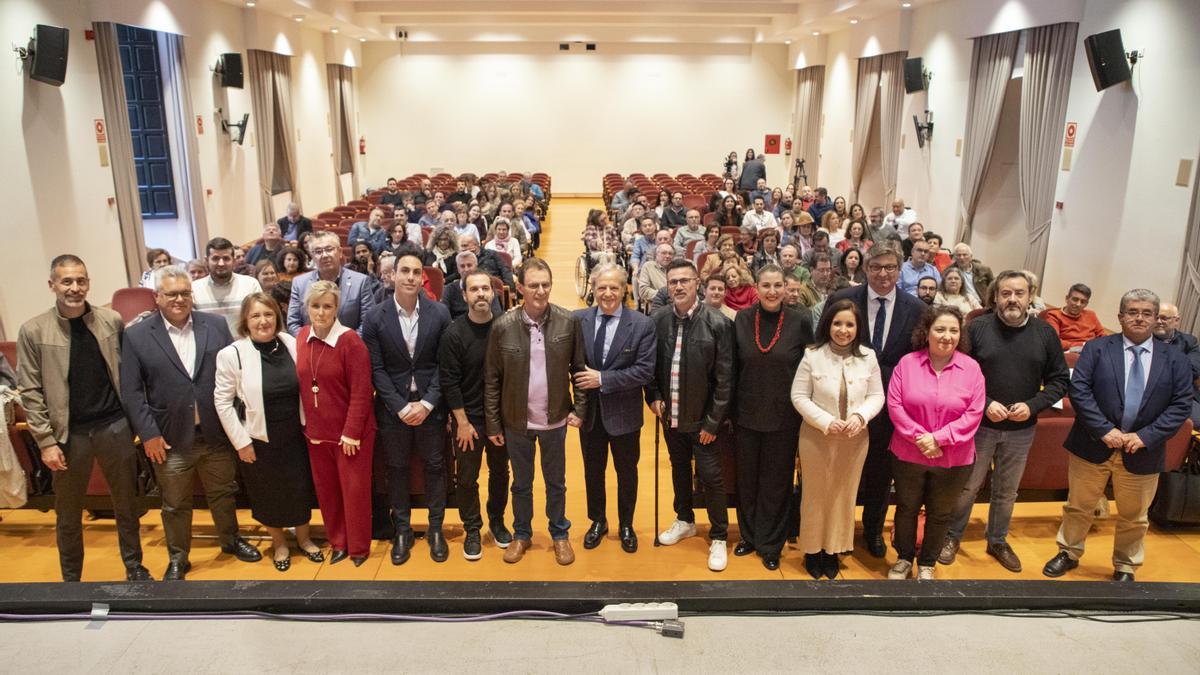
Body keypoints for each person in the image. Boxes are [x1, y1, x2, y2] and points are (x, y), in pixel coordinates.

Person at [1042, 289, 1194, 582]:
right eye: (1133, 312)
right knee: (1078, 506)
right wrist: (1104, 430)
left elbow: (1180, 405)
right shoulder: (1097, 348)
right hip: (1092, 444)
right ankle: (1068, 553)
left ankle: (1125, 565)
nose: (1139, 318)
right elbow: (1080, 391)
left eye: (1147, 313)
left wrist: (1146, 436)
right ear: (1121, 316)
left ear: (1156, 319)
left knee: (1134, 517)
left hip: (1144, 451)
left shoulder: (1175, 359)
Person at [121, 265, 261, 580]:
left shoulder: (215, 326)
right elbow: (131, 392)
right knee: (174, 504)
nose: (180, 299)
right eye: (172, 294)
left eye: (186, 293)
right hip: (169, 438)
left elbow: (233, 379)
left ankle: (231, 540)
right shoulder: (136, 336)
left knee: (224, 492)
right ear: (156, 297)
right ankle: (178, 558)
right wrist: (149, 434)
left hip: (215, 431)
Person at [17, 255, 149, 582]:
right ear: (52, 285)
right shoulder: (33, 330)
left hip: (113, 426)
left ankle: (134, 567)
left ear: (88, 283)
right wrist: (46, 442)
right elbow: (30, 391)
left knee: (127, 504)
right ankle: (71, 579)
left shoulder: (110, 321)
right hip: (68, 435)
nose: (74, 288)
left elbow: (127, 375)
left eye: (81, 281)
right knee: (68, 513)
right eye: (66, 281)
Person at [937, 271, 1070, 572]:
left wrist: (1033, 405)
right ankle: (951, 535)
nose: (1012, 299)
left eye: (1019, 293)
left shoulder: (1045, 333)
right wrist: (984, 404)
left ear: (1030, 297)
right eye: (1006, 293)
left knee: (1007, 490)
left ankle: (997, 539)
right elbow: (957, 373)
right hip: (979, 425)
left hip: (1021, 429)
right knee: (968, 487)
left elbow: (1060, 380)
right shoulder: (977, 327)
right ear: (995, 296)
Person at [484, 258, 588, 566]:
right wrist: (493, 424)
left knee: (556, 482)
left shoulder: (568, 322)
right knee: (522, 483)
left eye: (545, 284)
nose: (540, 291)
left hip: (555, 418)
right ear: (519, 288)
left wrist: (579, 408)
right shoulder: (502, 326)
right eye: (533, 285)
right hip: (516, 420)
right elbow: (492, 379)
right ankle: (522, 534)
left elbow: (578, 370)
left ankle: (559, 534)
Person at [825, 244, 927, 558]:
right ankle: (838, 533)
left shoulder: (917, 308)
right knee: (842, 472)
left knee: (881, 476)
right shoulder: (842, 301)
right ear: (866, 269)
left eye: (890, 267)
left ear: (900, 270)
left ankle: (872, 532)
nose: (883, 274)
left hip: (893, 408)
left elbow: (919, 358)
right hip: (847, 405)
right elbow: (824, 347)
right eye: (876, 267)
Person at [214, 293, 322, 572]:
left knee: (299, 488)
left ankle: (305, 538)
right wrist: (241, 442)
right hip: (258, 438)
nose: (263, 321)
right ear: (245, 321)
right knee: (269, 493)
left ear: (277, 316)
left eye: (268, 314)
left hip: (295, 433)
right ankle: (280, 543)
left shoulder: (291, 343)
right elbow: (222, 402)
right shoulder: (232, 354)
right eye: (256, 316)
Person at [361, 252, 453, 565]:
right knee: (396, 469)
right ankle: (402, 529)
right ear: (393, 275)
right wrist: (400, 407)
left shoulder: (440, 313)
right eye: (404, 271)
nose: (411, 277)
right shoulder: (375, 317)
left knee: (435, 468)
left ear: (422, 277)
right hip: (392, 410)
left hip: (431, 407)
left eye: (416, 272)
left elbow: (445, 365)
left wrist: (427, 402)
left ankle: (436, 528)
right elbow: (376, 369)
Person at [647, 259, 734, 572]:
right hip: (671, 416)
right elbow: (651, 369)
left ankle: (720, 535)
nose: (679, 286)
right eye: (673, 282)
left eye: (685, 280)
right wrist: (654, 397)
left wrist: (713, 421)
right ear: (667, 286)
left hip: (704, 422)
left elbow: (726, 379)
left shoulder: (718, 323)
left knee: (711, 477)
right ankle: (685, 519)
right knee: (679, 468)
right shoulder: (657, 320)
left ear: (698, 282)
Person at [886, 306, 985, 580]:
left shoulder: (972, 369)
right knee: (906, 508)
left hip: (954, 457)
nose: (946, 336)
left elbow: (974, 413)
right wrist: (922, 438)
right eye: (940, 329)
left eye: (954, 330)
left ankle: (927, 562)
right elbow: (895, 405)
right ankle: (904, 558)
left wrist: (939, 439)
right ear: (926, 332)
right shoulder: (907, 364)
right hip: (908, 452)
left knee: (941, 513)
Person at [791, 299, 884, 579]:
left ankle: (832, 550)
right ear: (828, 325)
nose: (843, 330)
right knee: (815, 495)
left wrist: (861, 417)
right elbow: (798, 396)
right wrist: (825, 422)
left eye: (850, 324)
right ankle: (812, 549)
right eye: (837, 323)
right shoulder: (812, 355)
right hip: (816, 437)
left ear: (858, 328)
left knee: (844, 495)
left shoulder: (868, 356)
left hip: (854, 438)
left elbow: (876, 395)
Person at [732, 265, 813, 570]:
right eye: (766, 285)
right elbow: (733, 367)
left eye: (778, 285)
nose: (772, 291)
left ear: (786, 287)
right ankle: (749, 536)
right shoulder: (742, 319)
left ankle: (771, 543)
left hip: (784, 417)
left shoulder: (800, 320)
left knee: (776, 482)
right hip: (746, 414)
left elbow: (809, 369)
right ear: (756, 287)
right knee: (748, 481)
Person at [572, 264, 656, 553]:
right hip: (590, 417)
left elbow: (644, 372)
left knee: (626, 472)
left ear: (624, 290)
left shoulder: (642, 324)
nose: (607, 293)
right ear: (592, 289)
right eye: (601, 288)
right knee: (592, 472)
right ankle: (597, 521)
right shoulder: (577, 320)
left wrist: (602, 379)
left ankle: (626, 524)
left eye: (614, 288)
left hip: (625, 415)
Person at [296, 280, 377, 566]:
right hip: (317, 435)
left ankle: (357, 548)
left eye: (327, 306)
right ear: (307, 307)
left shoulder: (350, 340)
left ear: (336, 308)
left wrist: (352, 432)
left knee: (354, 494)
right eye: (315, 306)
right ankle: (338, 542)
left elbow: (361, 391)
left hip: (350, 436)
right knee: (328, 494)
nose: (320, 312)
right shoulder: (301, 337)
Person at [439, 270, 513, 559]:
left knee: (500, 473)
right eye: (475, 289)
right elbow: (449, 382)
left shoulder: (505, 329)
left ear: (493, 294)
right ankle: (472, 527)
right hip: (467, 420)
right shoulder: (454, 334)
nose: (481, 294)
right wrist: (462, 423)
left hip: (500, 418)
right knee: (467, 478)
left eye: (485, 289)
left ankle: (496, 521)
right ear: (465, 295)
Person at [287, 231, 376, 336]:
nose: (324, 255)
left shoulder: (361, 282)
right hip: (312, 348)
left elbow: (367, 322)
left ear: (340, 252)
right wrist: (312, 343)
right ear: (312, 256)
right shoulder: (299, 283)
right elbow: (293, 323)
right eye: (318, 251)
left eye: (329, 249)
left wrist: (346, 344)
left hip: (349, 348)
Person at [1153, 303, 1200, 426]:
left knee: (1197, 422)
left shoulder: (1189, 342)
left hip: (1182, 394)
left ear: (1176, 320)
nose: (1158, 321)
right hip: (1151, 393)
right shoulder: (1144, 338)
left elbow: (1192, 370)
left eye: (1164, 318)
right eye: (1156, 317)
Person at [1041, 283, 1107, 350]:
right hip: (1069, 353)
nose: (1078, 304)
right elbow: (1054, 342)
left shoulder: (1091, 315)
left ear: (1086, 304)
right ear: (1067, 299)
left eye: (1083, 302)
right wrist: (1084, 345)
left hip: (1092, 351)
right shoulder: (1054, 316)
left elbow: (1103, 337)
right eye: (1075, 299)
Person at [441, 251, 504, 320]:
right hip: (458, 327)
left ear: (476, 266)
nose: (466, 269)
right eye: (462, 266)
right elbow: (444, 315)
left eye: (469, 265)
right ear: (458, 269)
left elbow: (497, 314)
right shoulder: (449, 289)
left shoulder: (486, 287)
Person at [637, 244, 673, 308]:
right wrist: (666, 295)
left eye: (670, 253)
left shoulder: (677, 268)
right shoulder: (648, 266)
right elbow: (643, 291)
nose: (667, 256)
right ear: (657, 255)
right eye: (664, 253)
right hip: (658, 307)